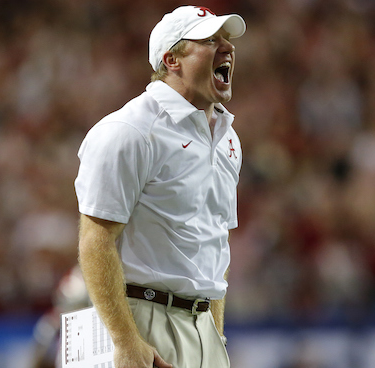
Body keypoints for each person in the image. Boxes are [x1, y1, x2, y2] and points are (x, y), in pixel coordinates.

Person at [74, 5, 246, 368]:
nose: (227, 48)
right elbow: (96, 239)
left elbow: (214, 244)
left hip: (201, 328)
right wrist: (123, 341)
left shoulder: (228, 139)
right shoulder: (130, 130)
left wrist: (214, 331)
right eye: (210, 40)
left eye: (227, 40)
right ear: (172, 59)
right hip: (135, 318)